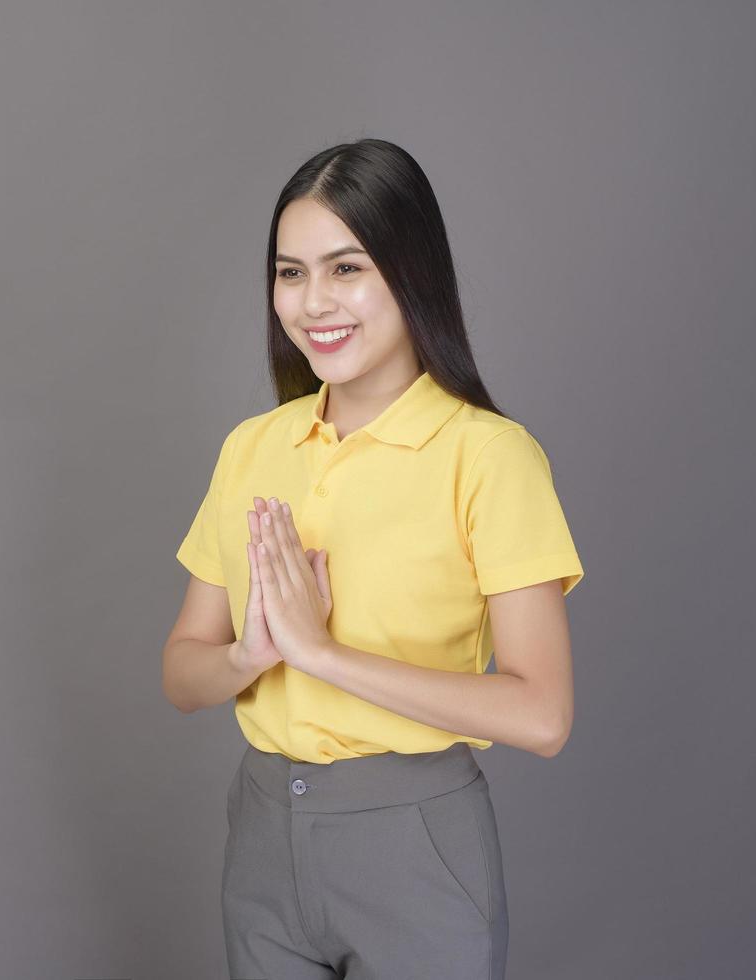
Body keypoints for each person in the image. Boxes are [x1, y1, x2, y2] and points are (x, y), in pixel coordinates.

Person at [161, 138, 585, 980]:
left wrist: (324, 656)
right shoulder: (254, 447)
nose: (313, 301)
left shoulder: (489, 456)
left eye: (345, 268)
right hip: (262, 831)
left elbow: (543, 716)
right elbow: (182, 674)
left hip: (414, 842)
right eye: (289, 272)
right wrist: (254, 655)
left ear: (411, 271)